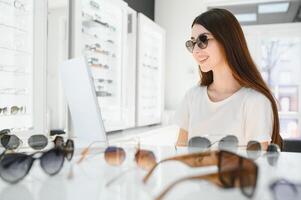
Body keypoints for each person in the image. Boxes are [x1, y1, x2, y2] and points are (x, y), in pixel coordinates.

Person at [174, 8, 283, 150]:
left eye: (203, 39)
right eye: (192, 43)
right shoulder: (192, 97)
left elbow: (258, 165)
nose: (195, 51)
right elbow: (180, 153)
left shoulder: (255, 102)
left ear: (226, 40)